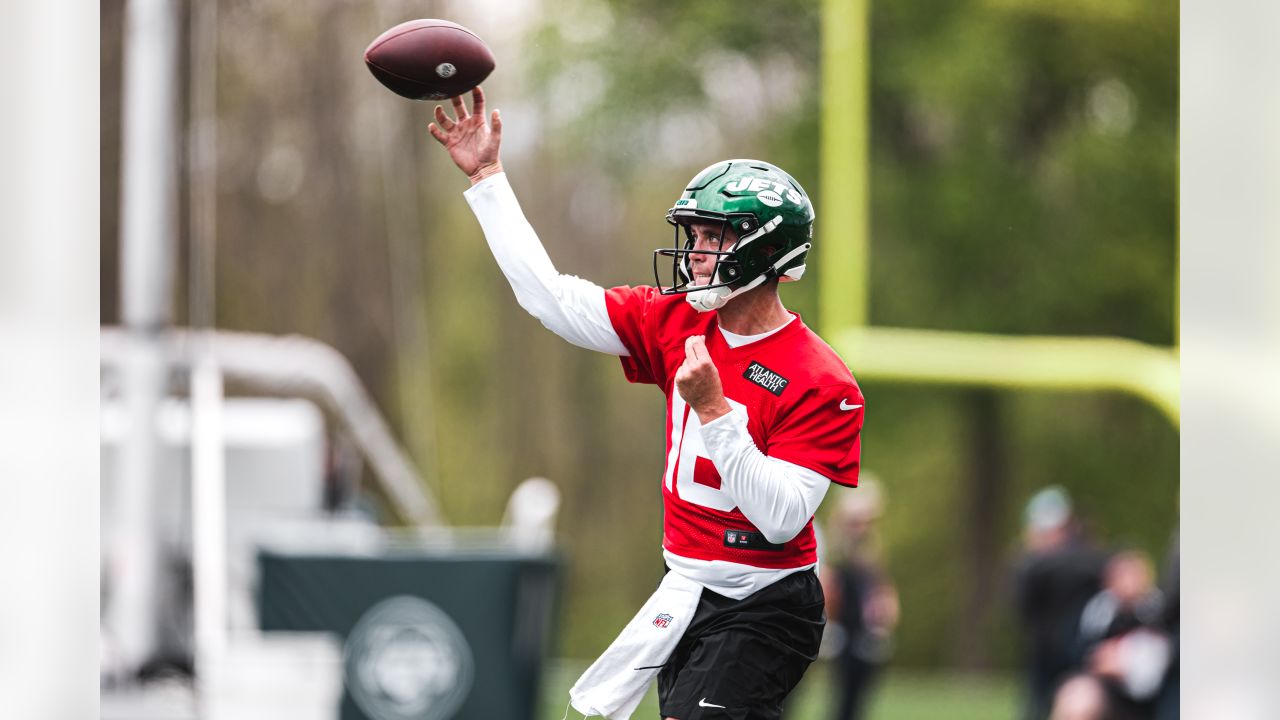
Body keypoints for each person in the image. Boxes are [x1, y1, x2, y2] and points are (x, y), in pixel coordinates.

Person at [427, 88, 865, 720]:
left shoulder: (824, 381)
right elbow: (550, 298)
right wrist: (488, 180)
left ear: (765, 251)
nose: (693, 254)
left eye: (712, 238)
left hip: (764, 602)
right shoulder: (676, 320)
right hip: (683, 588)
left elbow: (779, 518)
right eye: (693, 235)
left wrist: (716, 412)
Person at [1012, 486, 1109, 720]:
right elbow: (1020, 603)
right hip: (1041, 651)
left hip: (1077, 650)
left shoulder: (1084, 558)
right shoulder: (1029, 562)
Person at [819, 475, 899, 720]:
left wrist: (882, 624)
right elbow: (829, 585)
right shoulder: (838, 548)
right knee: (843, 697)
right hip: (844, 630)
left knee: (859, 698)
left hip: (866, 632)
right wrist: (829, 625)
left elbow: (880, 589)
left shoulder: (872, 547)